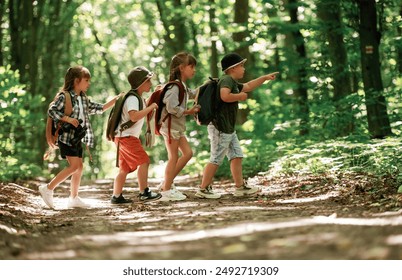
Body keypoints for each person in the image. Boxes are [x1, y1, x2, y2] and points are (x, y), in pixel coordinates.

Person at [195, 53, 278, 199]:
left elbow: (248, 86)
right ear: (232, 68)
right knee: (216, 158)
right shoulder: (227, 80)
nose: (243, 69)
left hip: (228, 128)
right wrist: (240, 97)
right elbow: (224, 96)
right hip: (220, 127)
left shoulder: (232, 81)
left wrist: (264, 78)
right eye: (241, 66)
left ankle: (240, 187)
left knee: (236, 155)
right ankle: (203, 189)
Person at [39, 66, 119, 209]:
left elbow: (99, 108)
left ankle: (74, 198)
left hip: (77, 138)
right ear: (77, 81)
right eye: (86, 80)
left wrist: (116, 100)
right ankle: (48, 188)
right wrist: (68, 119)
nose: (89, 84)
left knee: (79, 168)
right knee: (74, 166)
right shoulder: (65, 96)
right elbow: (52, 110)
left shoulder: (83, 98)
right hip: (66, 138)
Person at [111, 66, 161, 204]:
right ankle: (144, 192)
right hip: (126, 137)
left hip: (122, 137)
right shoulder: (133, 99)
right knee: (144, 161)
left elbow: (142, 108)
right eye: (148, 81)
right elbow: (133, 117)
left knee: (124, 168)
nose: (150, 84)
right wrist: (151, 107)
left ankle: (116, 196)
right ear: (141, 83)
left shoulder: (136, 98)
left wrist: (153, 97)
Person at [158, 52, 200, 201]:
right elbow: (170, 107)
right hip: (170, 127)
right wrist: (188, 111)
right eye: (191, 66)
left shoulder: (182, 85)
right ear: (182, 68)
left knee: (187, 153)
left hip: (177, 128)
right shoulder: (175, 87)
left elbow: (194, 94)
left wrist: (209, 87)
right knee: (173, 157)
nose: (194, 70)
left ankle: (166, 183)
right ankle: (166, 191)